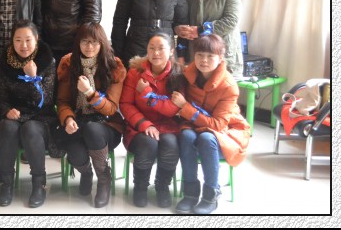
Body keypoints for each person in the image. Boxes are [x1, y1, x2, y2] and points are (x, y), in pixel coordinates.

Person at [171, 34, 250, 214]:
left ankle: (211, 194)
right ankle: (190, 193)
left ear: (220, 58)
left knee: (207, 138)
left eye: (210, 56)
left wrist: (185, 107)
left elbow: (218, 125)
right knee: (186, 135)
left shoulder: (229, 85)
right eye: (199, 55)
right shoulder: (187, 74)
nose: (204, 60)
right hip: (195, 126)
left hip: (227, 131)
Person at [56, 23, 126, 208]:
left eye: (95, 42)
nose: (89, 47)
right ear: (78, 43)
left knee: (92, 129)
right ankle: (86, 173)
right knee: (75, 152)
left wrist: (89, 93)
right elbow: (62, 101)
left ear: (102, 43)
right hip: (79, 122)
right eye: (85, 41)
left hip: (106, 125)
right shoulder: (69, 64)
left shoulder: (114, 66)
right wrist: (68, 118)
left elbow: (111, 109)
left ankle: (103, 178)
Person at [0, 20, 57, 208]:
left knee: (30, 129)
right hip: (14, 115)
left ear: (36, 39)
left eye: (28, 40)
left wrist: (32, 78)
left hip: (40, 116)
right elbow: (0, 96)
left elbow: (46, 100)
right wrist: (6, 110)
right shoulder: (5, 62)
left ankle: (39, 184)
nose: (23, 45)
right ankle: (6, 183)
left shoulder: (47, 60)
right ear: (12, 41)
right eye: (18, 40)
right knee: (6, 127)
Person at [119, 32, 184, 208]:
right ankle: (140, 187)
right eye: (151, 48)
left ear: (171, 51)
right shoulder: (135, 73)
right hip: (138, 126)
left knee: (171, 145)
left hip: (168, 125)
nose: (155, 53)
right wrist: (144, 124)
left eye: (161, 48)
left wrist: (147, 94)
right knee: (148, 144)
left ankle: (162, 186)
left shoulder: (178, 74)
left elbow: (172, 109)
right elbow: (125, 104)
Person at [175, 0, 244, 78]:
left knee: (222, 88)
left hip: (223, 53)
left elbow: (231, 21)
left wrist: (200, 30)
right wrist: (178, 29)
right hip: (196, 55)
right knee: (195, 88)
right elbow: (181, 21)